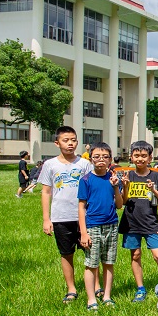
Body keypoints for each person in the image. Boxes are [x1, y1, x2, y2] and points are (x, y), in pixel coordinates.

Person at [39, 126, 94, 304]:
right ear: (57, 143)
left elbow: (92, 188)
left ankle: (96, 286)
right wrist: (46, 219)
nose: (70, 144)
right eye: (66, 140)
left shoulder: (85, 164)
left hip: (84, 216)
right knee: (66, 253)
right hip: (61, 216)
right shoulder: (50, 165)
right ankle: (71, 288)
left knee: (92, 252)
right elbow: (46, 192)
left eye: (73, 140)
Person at [119, 140, 158, 303]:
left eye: (144, 156)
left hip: (150, 222)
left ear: (150, 158)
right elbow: (123, 202)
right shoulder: (128, 175)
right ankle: (140, 288)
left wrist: (153, 189)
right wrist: (125, 186)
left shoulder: (156, 175)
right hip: (131, 222)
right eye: (136, 155)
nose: (140, 159)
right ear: (131, 157)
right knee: (135, 255)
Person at [77, 142, 123, 311]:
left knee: (109, 262)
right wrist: (83, 232)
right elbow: (81, 207)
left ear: (110, 159)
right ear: (91, 159)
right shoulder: (86, 180)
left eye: (105, 157)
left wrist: (116, 187)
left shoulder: (113, 179)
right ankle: (91, 299)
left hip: (111, 224)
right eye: (96, 157)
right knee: (91, 264)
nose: (101, 160)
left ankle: (107, 296)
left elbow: (119, 205)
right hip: (93, 226)